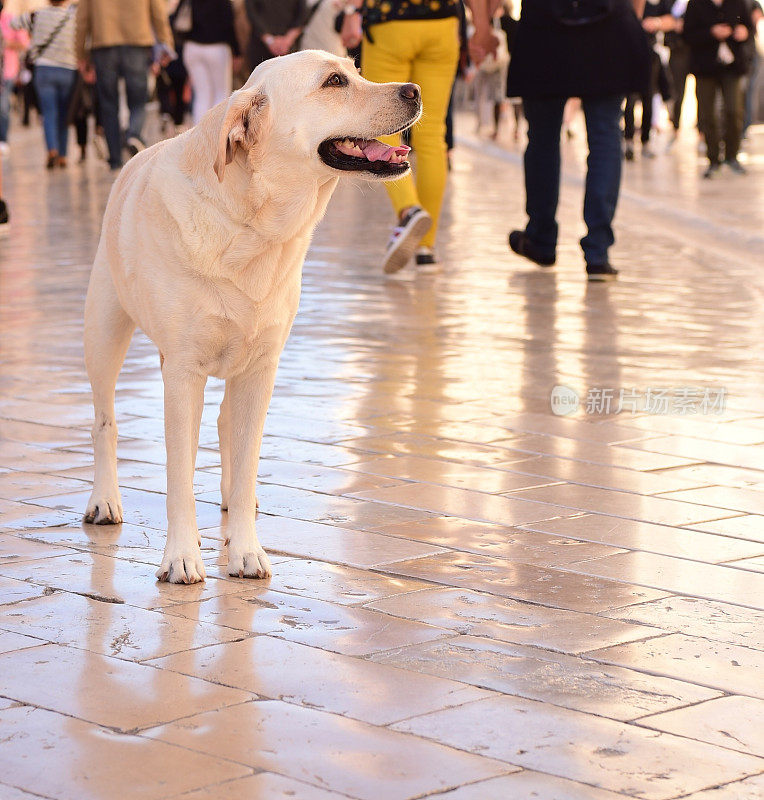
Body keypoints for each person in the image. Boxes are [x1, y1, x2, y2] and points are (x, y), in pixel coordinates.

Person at [470, 0, 650, 282]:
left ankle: (541, 239)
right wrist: (632, 16)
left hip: (545, 28)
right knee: (605, 136)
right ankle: (598, 253)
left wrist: (482, 27)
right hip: (608, 22)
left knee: (542, 137)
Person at [342, 0, 461, 273]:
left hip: (390, 20)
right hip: (442, 22)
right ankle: (426, 249)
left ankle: (409, 210)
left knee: (386, 128)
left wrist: (350, 11)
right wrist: (481, 29)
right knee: (432, 136)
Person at [75, 0, 175, 169]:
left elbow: (82, 19)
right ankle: (133, 135)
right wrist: (166, 43)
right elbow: (158, 12)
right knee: (138, 99)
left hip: (104, 44)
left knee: (108, 104)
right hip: (137, 42)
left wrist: (81, 54)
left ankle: (115, 158)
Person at [684, 0, 755, 177]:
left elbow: (749, 26)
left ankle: (732, 156)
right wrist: (711, 33)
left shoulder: (738, 2)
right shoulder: (696, 4)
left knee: (734, 111)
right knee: (708, 114)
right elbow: (687, 34)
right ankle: (713, 159)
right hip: (705, 66)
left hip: (732, 66)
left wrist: (744, 32)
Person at [13, 0, 78, 169]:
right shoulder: (72, 16)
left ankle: (52, 150)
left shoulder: (37, 15)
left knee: (49, 113)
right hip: (67, 69)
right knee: (64, 114)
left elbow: (14, 23)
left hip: (44, 69)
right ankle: (63, 155)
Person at [623, 0, 676, 160]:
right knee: (630, 99)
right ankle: (628, 140)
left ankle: (645, 140)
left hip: (650, 53)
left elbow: (671, 20)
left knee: (648, 95)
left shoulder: (658, 3)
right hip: (629, 52)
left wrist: (656, 22)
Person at [176, 0, 241, 125]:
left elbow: (177, 18)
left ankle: (200, 136)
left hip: (192, 47)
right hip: (217, 48)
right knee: (221, 94)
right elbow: (229, 24)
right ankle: (216, 136)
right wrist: (237, 52)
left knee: (201, 95)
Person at [244, 0, 307, 70]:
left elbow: (302, 16)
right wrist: (270, 41)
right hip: (260, 48)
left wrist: (287, 40)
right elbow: (252, 13)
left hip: (288, 51)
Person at [0, 8, 29, 156]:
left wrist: (8, 44)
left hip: (7, 71)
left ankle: (3, 140)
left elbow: (24, 43)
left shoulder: (11, 20)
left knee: (3, 105)